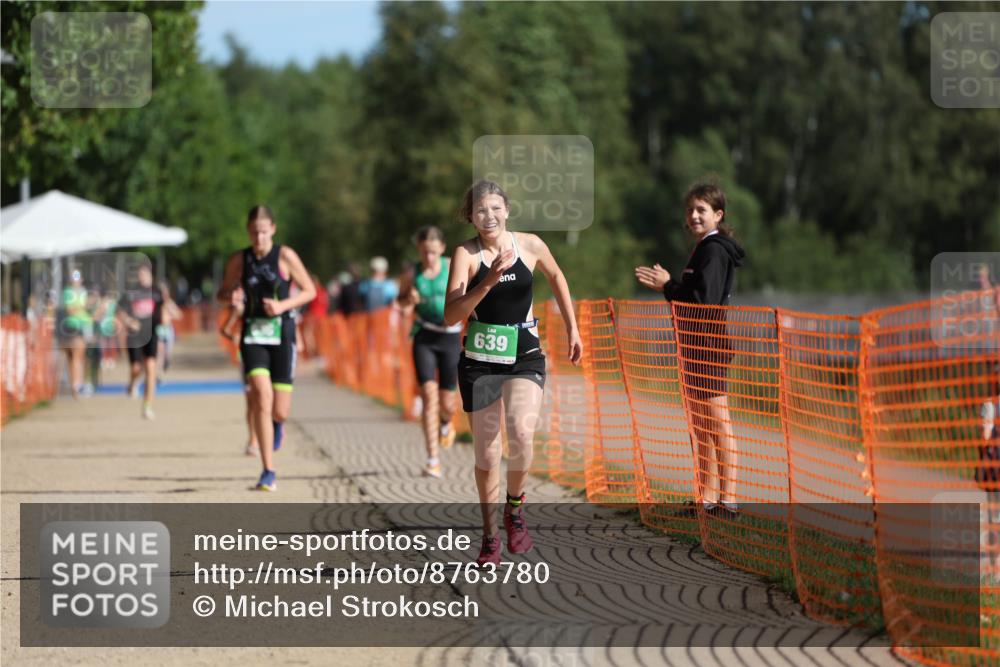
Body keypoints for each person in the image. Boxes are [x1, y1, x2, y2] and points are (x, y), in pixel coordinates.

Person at [444, 179, 583, 566]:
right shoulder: (466, 255)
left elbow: (556, 277)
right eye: (479, 210)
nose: (488, 216)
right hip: (480, 360)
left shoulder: (531, 245)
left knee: (522, 432)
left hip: (524, 352)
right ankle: (490, 537)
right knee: (488, 453)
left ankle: (515, 509)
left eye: (494, 208)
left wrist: (573, 327)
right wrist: (487, 282)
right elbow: (452, 314)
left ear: (506, 209)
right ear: (470, 217)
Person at [635, 182, 746, 515]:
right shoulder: (703, 248)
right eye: (690, 210)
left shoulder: (714, 249)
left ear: (718, 214)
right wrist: (670, 286)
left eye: (702, 210)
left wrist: (668, 285)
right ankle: (706, 498)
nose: (694, 215)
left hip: (709, 348)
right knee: (701, 427)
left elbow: (703, 301)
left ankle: (728, 501)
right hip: (694, 348)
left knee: (718, 424)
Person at [217, 205, 316, 492]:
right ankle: (268, 470)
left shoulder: (285, 256)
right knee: (261, 395)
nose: (258, 239)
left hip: (282, 332)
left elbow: (309, 290)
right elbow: (222, 293)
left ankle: (278, 425)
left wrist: (282, 306)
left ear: (273, 229)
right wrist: (230, 296)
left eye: (263, 232)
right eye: (253, 233)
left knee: (280, 411)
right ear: (248, 232)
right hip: (252, 333)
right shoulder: (240, 259)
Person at [397, 226, 462, 478]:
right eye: (425, 252)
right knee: (427, 394)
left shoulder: (451, 265)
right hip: (424, 336)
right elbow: (400, 302)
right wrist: (408, 300)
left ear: (442, 249)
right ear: (419, 250)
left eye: (433, 252)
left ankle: (447, 423)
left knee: (448, 403)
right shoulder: (411, 273)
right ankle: (432, 458)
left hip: (450, 338)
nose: (429, 258)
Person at [116, 264, 163, 419]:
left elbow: (163, 309)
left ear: (150, 275)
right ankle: (132, 383)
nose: (142, 276)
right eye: (140, 274)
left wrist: (165, 321)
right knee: (136, 368)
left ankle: (147, 406)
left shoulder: (157, 292)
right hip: (135, 335)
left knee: (151, 369)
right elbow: (119, 310)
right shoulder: (131, 292)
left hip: (151, 334)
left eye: (144, 273)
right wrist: (129, 321)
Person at [220, 299, 259, 456]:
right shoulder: (242, 304)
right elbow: (225, 329)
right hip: (247, 354)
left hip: (269, 353)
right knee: (251, 400)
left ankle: (274, 429)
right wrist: (235, 336)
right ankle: (253, 439)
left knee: (267, 398)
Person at [978, 362, 1000, 582]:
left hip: (995, 470)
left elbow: (984, 439)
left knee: (995, 518)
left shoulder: (988, 406)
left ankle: (996, 569)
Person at [59, 269, 92, 399]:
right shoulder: (68, 292)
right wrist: (83, 306)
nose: (76, 281)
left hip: (83, 325)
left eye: (78, 278)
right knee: (75, 356)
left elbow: (85, 309)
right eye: (74, 278)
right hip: (73, 326)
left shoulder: (83, 291)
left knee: (78, 357)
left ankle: (76, 384)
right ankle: (76, 384)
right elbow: (70, 310)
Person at [156, 281, 183, 375]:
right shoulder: (157, 303)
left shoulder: (170, 303)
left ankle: (166, 363)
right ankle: (158, 372)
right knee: (159, 351)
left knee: (167, 353)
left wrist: (171, 313)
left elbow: (179, 315)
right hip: (158, 329)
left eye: (165, 292)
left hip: (168, 330)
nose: (163, 294)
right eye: (162, 292)